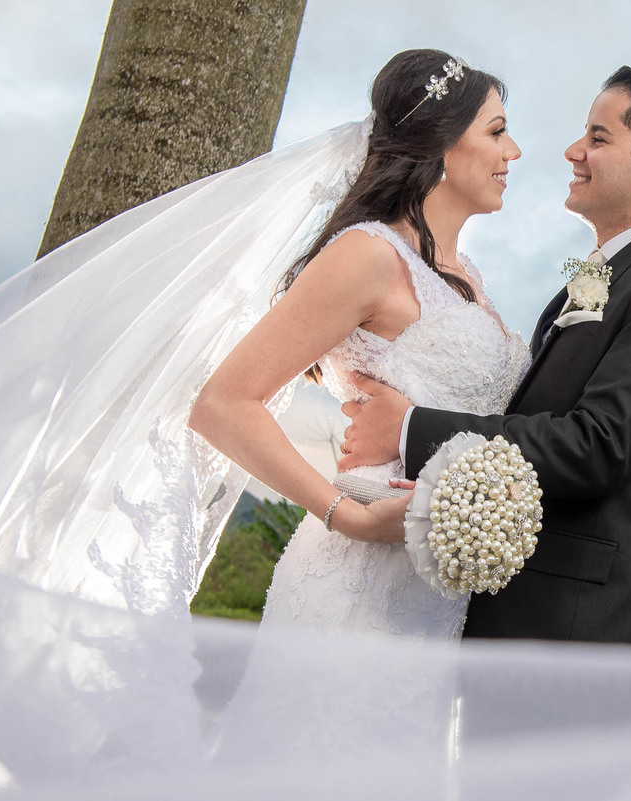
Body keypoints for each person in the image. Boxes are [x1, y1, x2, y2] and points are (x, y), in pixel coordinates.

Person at [337, 67, 631, 645]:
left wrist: (407, 430)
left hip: (582, 633)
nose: (573, 151)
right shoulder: (583, 283)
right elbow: (532, 425)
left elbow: (602, 444)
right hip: (507, 615)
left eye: (598, 138)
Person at [188, 49, 526, 639]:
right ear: (443, 144)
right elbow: (223, 404)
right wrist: (349, 518)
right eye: (497, 132)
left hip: (439, 590)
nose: (512, 152)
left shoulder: (468, 275)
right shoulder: (368, 254)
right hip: (358, 583)